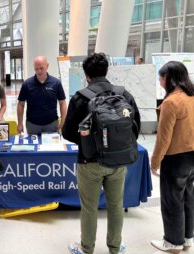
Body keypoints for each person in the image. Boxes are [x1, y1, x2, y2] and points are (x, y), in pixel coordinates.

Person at [62, 53, 141, 254]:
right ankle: (115, 247)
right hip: (118, 161)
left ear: (86, 74)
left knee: (89, 207)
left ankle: (87, 248)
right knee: (116, 205)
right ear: (107, 71)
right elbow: (135, 127)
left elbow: (68, 132)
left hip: (89, 162)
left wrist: (89, 142)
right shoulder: (124, 95)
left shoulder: (80, 98)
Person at [150, 61, 194, 253]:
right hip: (192, 156)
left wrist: (155, 162)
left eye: (161, 77)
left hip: (175, 158)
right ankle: (187, 238)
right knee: (188, 196)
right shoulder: (191, 96)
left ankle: (172, 242)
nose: (160, 81)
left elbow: (164, 138)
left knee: (172, 201)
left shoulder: (170, 102)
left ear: (168, 78)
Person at [17, 56, 67, 135]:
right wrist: (20, 123)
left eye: (41, 68)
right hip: (32, 125)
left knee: (51, 147)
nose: (39, 71)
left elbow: (62, 103)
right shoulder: (27, 84)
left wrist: (63, 121)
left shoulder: (56, 83)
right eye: (36, 69)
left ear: (47, 66)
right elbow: (21, 104)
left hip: (51, 124)